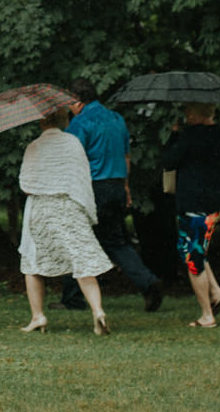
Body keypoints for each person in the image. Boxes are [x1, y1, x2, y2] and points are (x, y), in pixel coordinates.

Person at [56, 80, 165, 313]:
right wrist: (125, 187)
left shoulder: (80, 122)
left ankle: (73, 298)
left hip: (93, 187)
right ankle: (148, 282)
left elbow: (72, 158)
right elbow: (126, 155)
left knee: (76, 239)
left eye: (68, 103)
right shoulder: (116, 119)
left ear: (76, 100)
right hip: (116, 185)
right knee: (116, 242)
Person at [18, 106, 114, 334]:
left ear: (41, 122)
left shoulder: (34, 146)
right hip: (70, 207)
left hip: (42, 209)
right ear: (64, 120)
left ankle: (38, 316)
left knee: (33, 264)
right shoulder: (73, 143)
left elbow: (26, 184)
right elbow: (81, 177)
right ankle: (97, 310)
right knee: (82, 261)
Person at [158, 102, 220, 328]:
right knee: (194, 246)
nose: (185, 115)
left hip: (194, 200)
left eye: (188, 111)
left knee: (193, 256)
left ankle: (207, 314)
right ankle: (217, 291)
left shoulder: (189, 137)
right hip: (216, 199)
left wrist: (173, 136)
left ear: (195, 114)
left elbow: (169, 161)